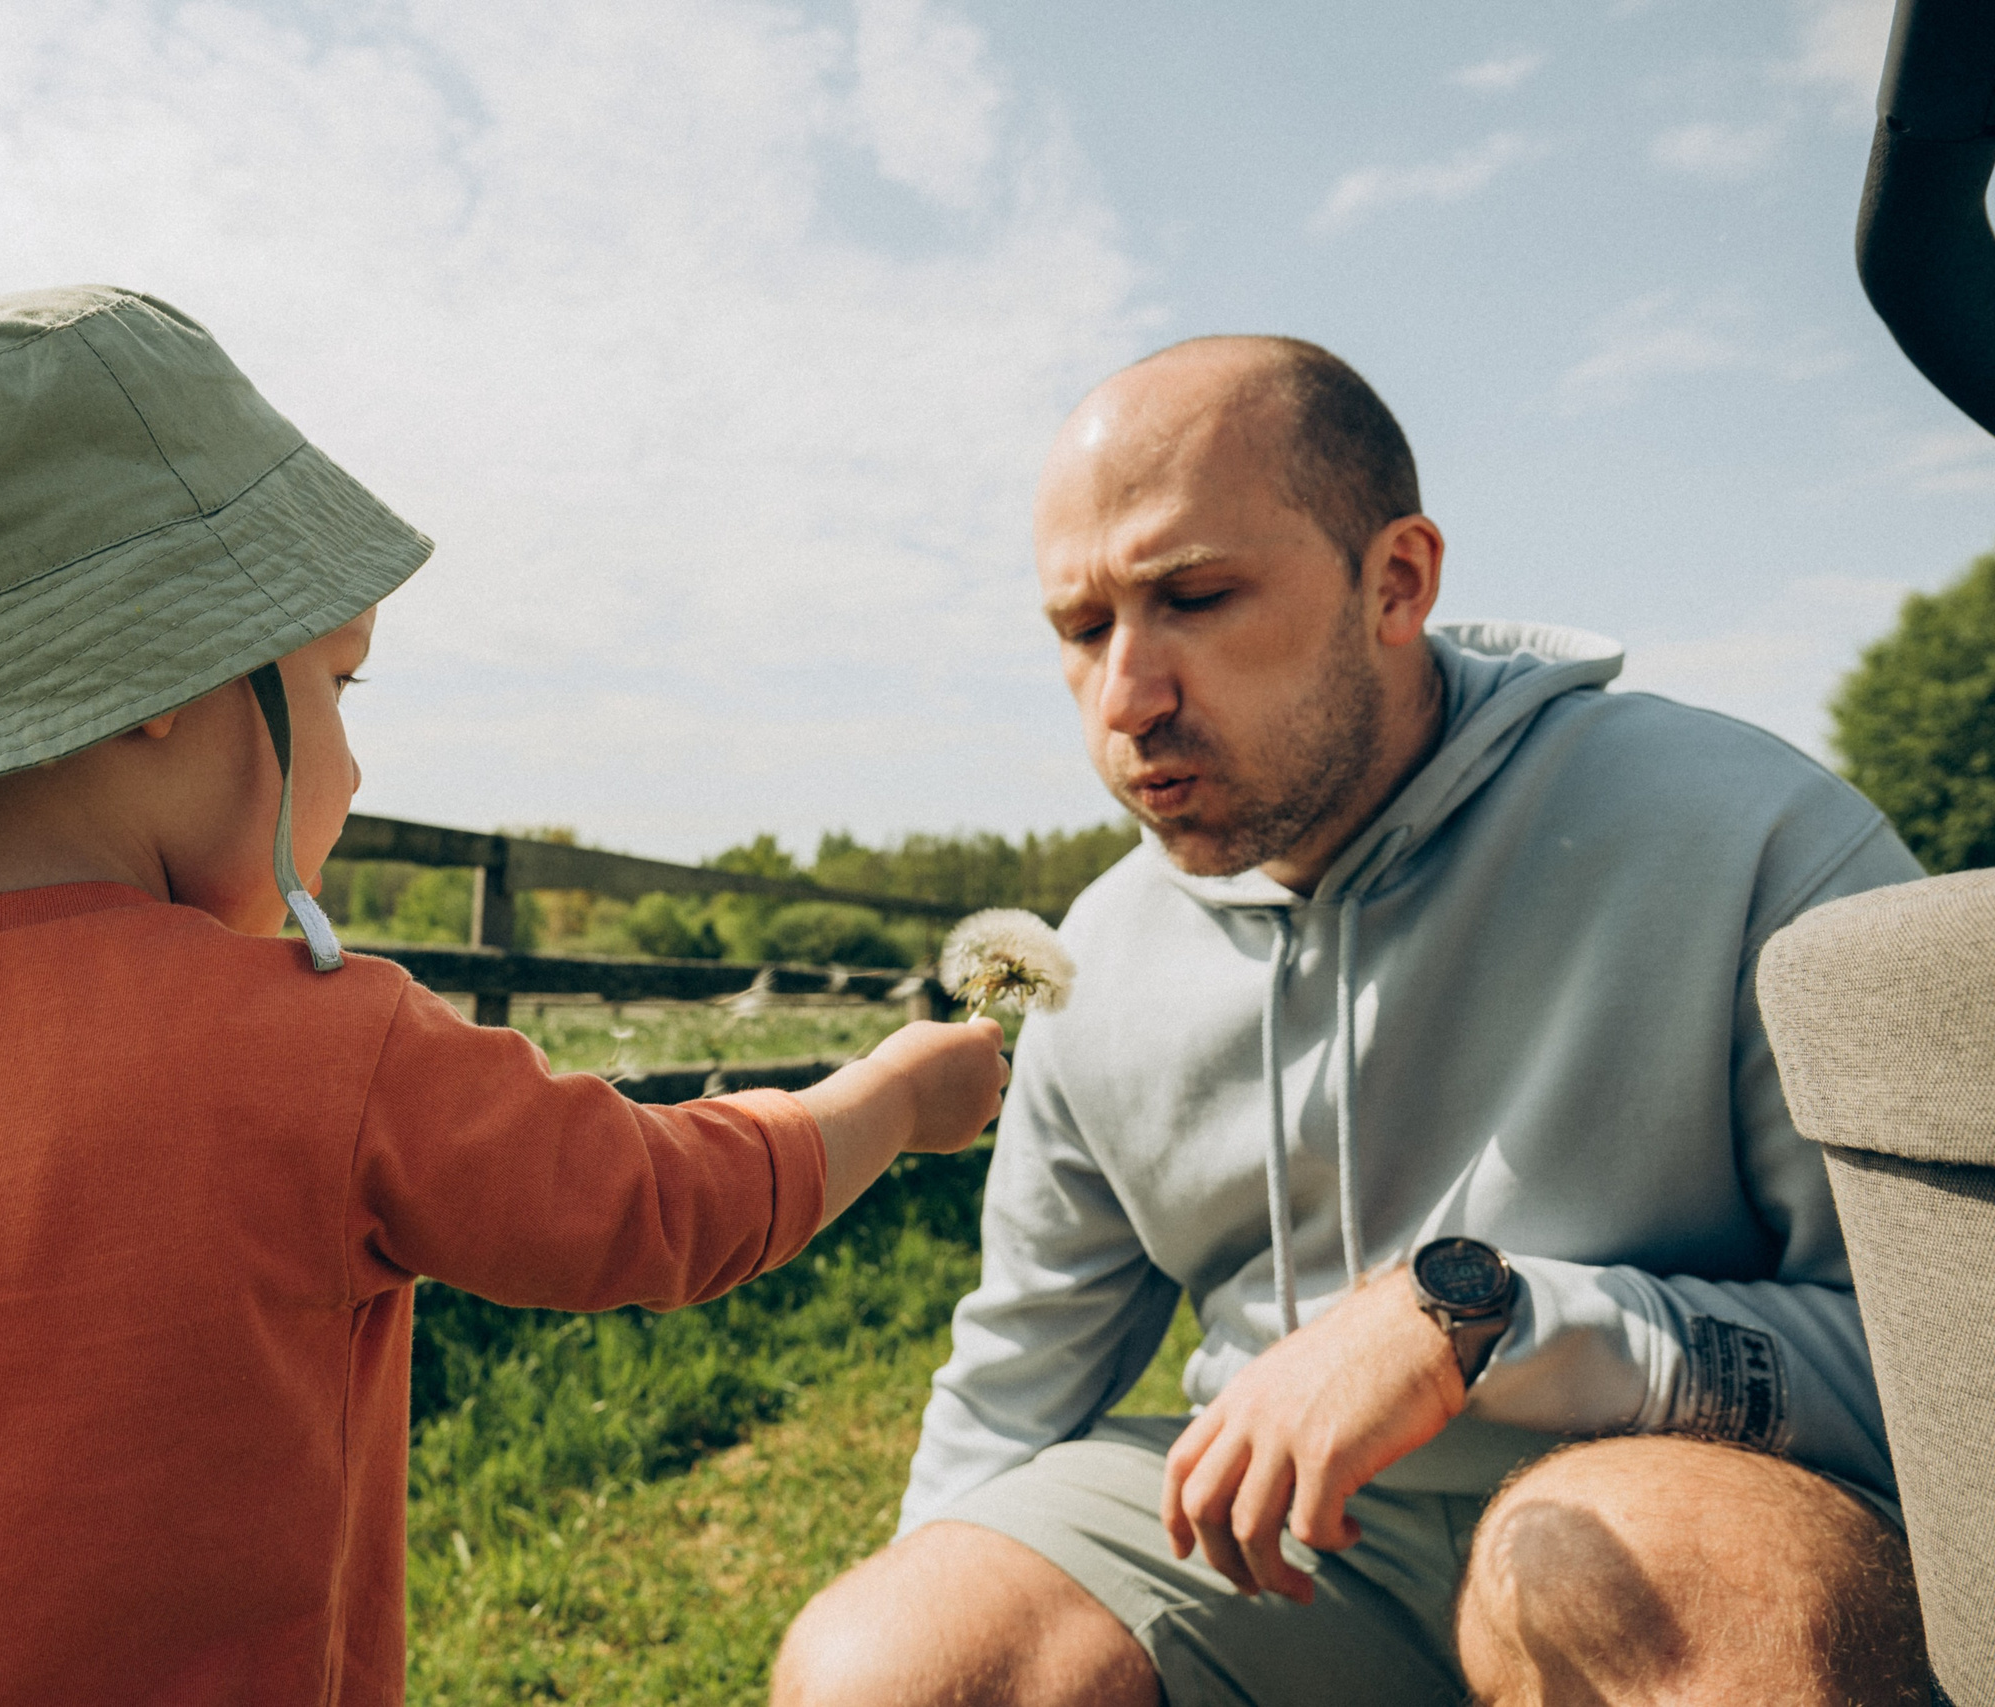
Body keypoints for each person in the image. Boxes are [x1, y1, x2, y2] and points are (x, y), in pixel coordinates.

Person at [0, 286, 1010, 1706]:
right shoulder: (316, 1051)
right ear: (160, 676)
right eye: (337, 686)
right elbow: (652, 1206)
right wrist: (885, 1098)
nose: (353, 771)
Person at [771, 336, 1934, 1707]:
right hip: (1295, 1569)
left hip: (1690, 1522)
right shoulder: (1098, 957)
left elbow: (1942, 1369)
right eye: (1082, 632)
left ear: (1398, 581)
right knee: (888, 1667)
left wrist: (1488, 1318)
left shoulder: (1757, 841)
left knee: (1613, 1575)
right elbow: (1021, 1371)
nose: (1126, 701)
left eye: (1194, 597)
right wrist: (927, 1593)